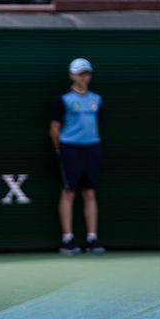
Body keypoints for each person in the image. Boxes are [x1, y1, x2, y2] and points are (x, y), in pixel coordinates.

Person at [50, 58, 105, 255]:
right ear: (72, 75)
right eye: (80, 73)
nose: (84, 77)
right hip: (70, 149)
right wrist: (60, 149)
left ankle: (92, 238)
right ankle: (67, 239)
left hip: (92, 147)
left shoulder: (96, 99)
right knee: (69, 192)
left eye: (86, 73)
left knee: (89, 193)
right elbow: (54, 128)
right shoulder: (63, 100)